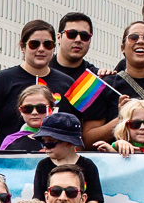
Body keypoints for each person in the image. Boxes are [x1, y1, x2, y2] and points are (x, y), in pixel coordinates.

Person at [0, 20, 73, 149]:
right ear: (23, 47)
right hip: (11, 162)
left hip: (56, 164)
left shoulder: (67, 83)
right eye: (34, 44)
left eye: (48, 44)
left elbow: (78, 132)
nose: (41, 49)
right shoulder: (1, 80)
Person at [52, 11, 122, 146]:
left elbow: (90, 135)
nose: (78, 39)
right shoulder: (42, 72)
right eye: (71, 34)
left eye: (84, 36)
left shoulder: (97, 79)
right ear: (59, 37)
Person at [31, 124, 103, 203]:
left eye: (50, 142)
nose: (45, 146)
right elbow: (39, 198)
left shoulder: (88, 165)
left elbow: (93, 198)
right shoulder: (43, 165)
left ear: (69, 143)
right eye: (43, 142)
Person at [0, 82, 59, 152]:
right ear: (21, 111)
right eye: (27, 108)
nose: (34, 113)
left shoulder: (62, 139)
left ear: (51, 109)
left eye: (41, 108)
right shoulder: (11, 140)